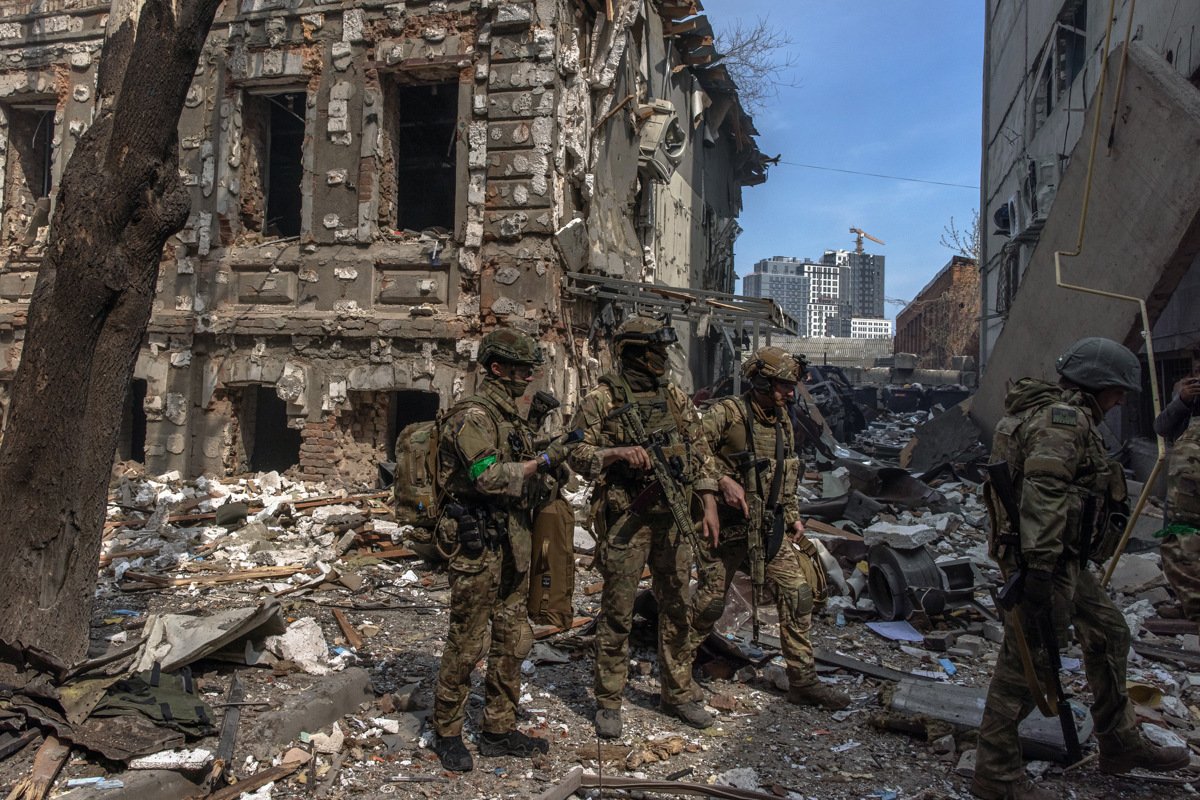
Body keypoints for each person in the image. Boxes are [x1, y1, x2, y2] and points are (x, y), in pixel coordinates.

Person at [973, 337, 1189, 800]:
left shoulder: (1063, 415)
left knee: (1109, 633)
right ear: (1096, 385)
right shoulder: (1062, 421)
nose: (1120, 401)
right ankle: (996, 775)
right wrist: (1040, 571)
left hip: (1060, 559)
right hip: (1044, 561)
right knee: (1027, 668)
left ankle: (1120, 742)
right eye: (1116, 391)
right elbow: (1045, 495)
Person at [568, 314, 720, 739]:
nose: (661, 358)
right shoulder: (602, 399)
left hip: (673, 520)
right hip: (627, 521)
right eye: (655, 349)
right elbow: (574, 452)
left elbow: (700, 448)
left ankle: (678, 693)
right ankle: (609, 700)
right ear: (636, 352)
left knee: (676, 609)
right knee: (617, 612)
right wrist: (617, 454)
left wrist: (708, 501)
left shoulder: (672, 395)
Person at [686, 347, 850, 710]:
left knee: (798, 594)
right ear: (760, 380)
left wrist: (791, 514)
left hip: (767, 529)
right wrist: (722, 480)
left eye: (792, 386)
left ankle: (803, 681)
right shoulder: (726, 413)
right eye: (783, 385)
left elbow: (783, 473)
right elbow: (688, 452)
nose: (790, 393)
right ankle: (678, 678)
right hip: (725, 531)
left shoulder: (781, 420)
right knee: (708, 606)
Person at [431, 328, 561, 772]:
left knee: (512, 641)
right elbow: (488, 476)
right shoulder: (473, 416)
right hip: (477, 546)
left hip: (512, 545)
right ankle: (447, 732)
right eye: (521, 369)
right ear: (496, 368)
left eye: (530, 369)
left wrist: (551, 457)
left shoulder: (512, 418)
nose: (528, 377)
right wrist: (541, 462)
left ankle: (497, 729)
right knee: (467, 644)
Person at [1154, 368, 1200, 619]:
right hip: (1183, 486)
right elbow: (1161, 426)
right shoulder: (1185, 401)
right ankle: (1184, 599)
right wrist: (1182, 401)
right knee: (1178, 544)